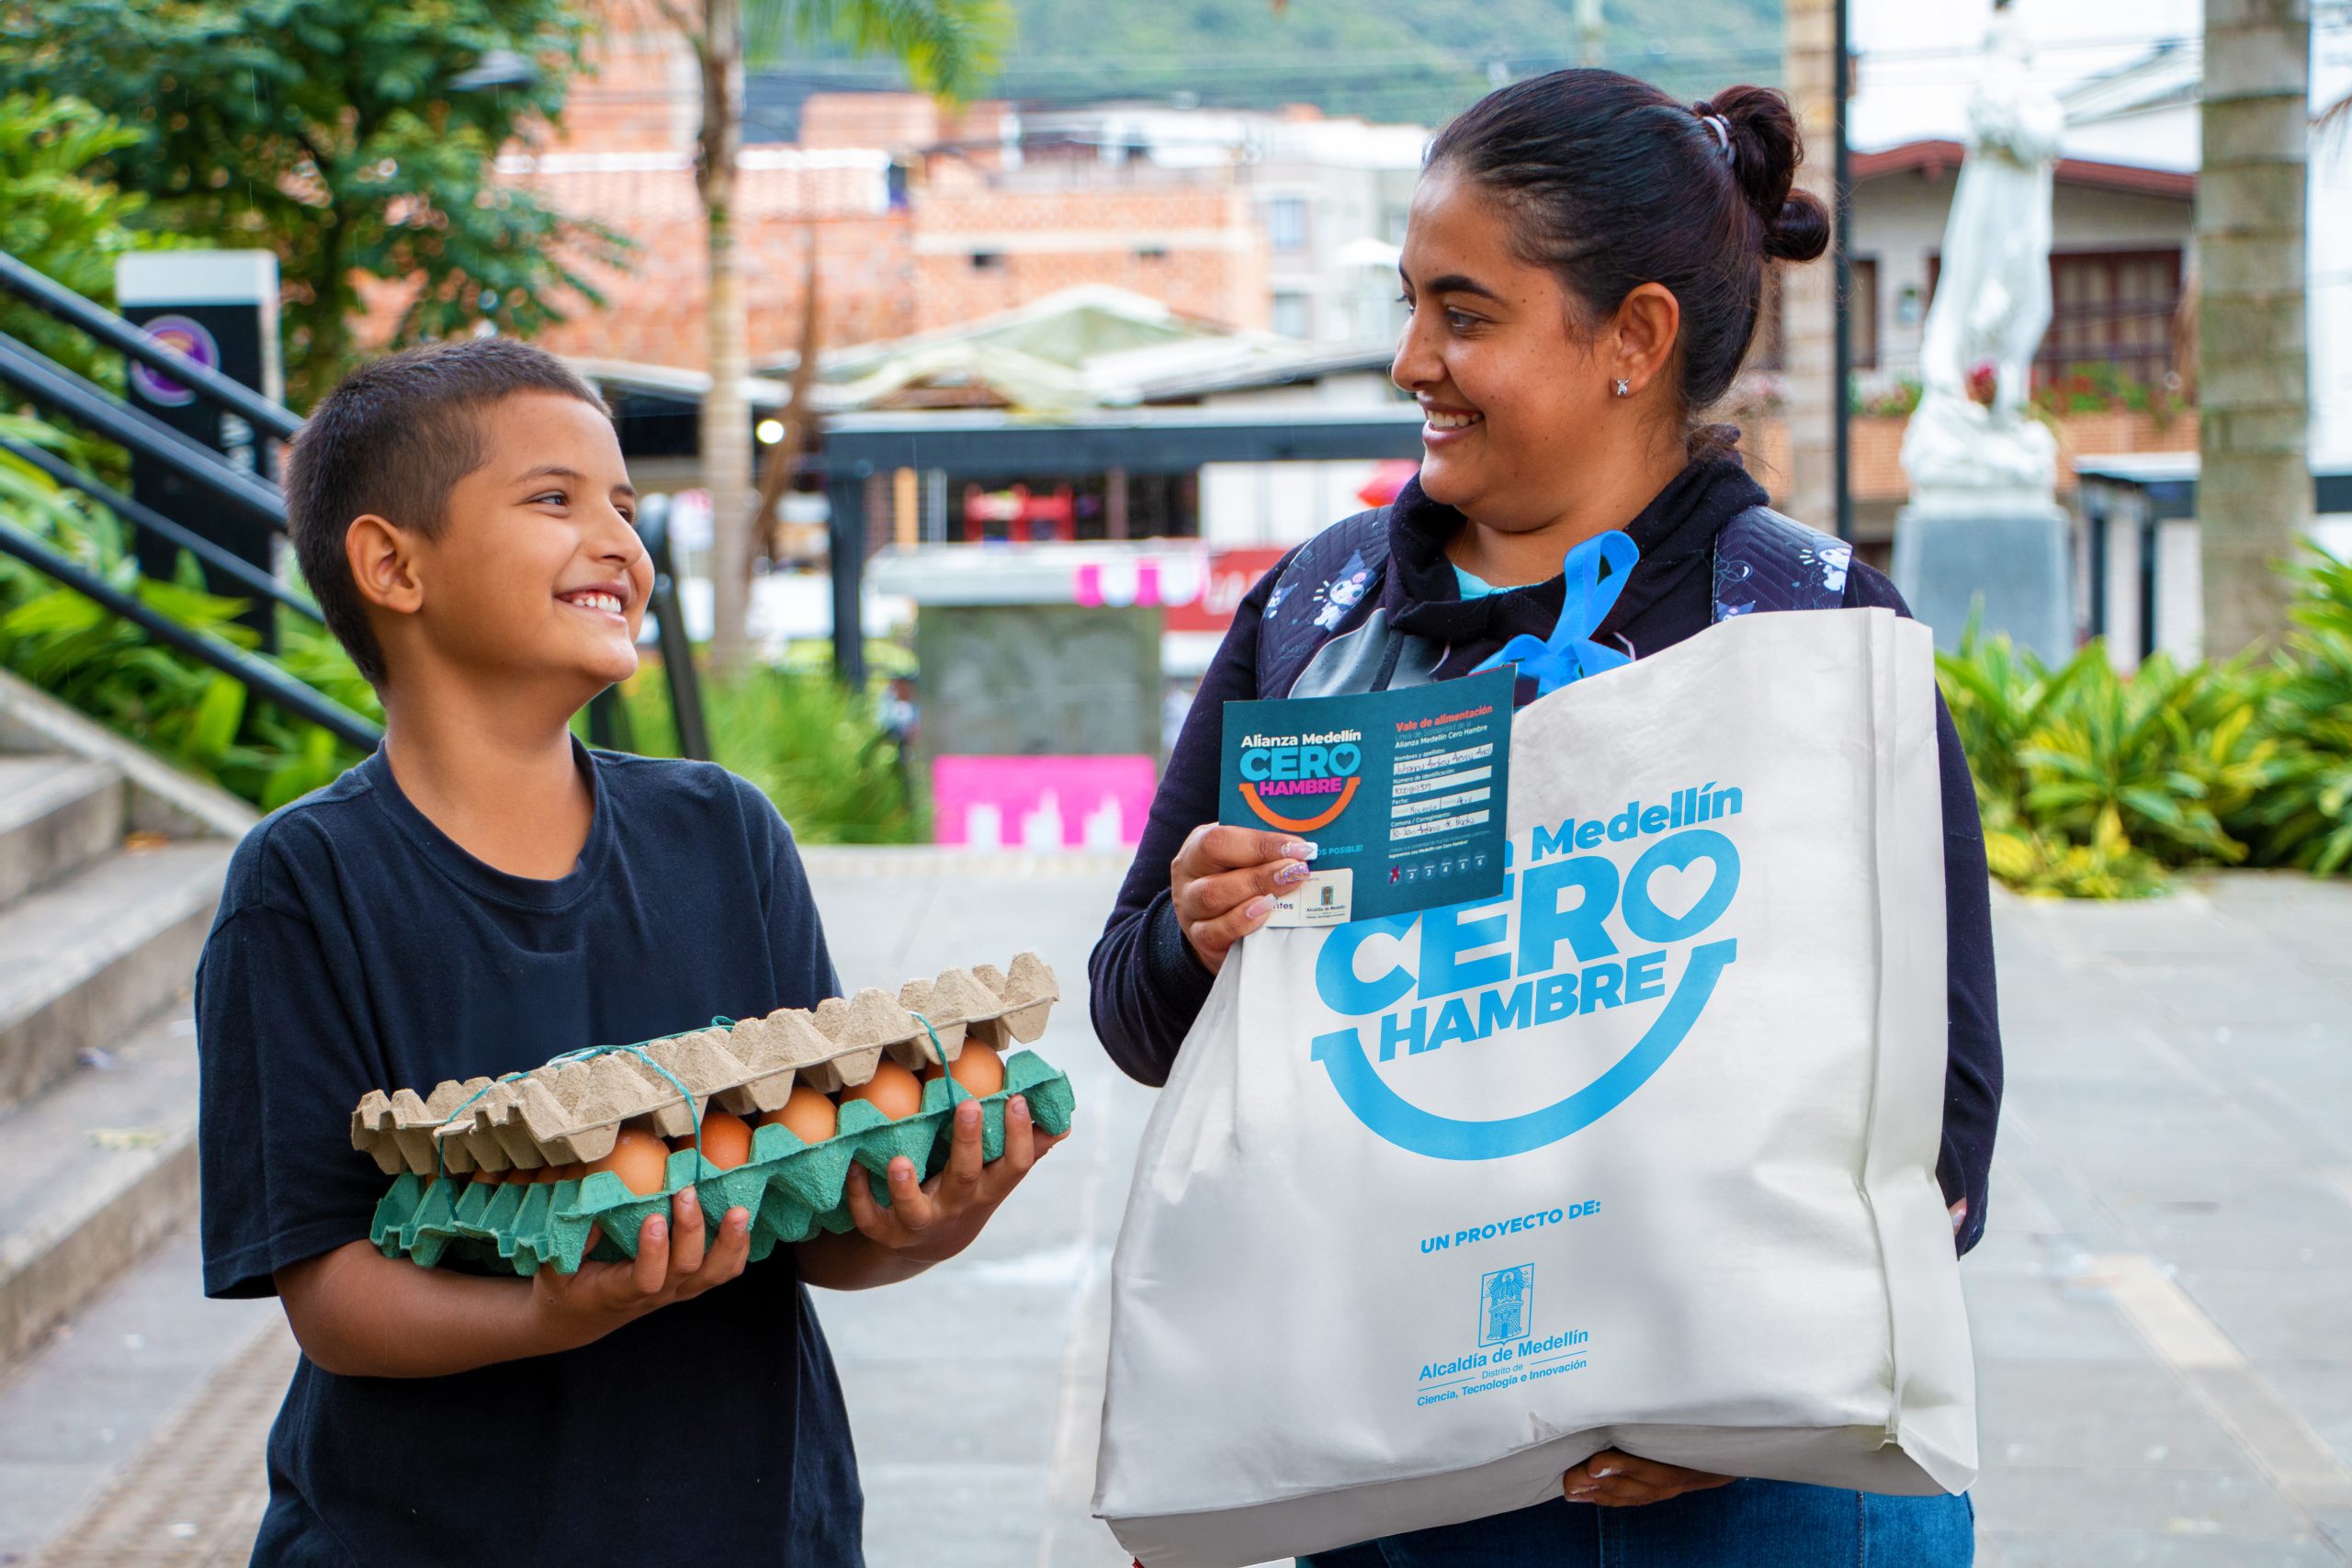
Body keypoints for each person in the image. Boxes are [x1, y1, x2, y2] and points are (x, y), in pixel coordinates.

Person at [1088, 71, 1998, 1566]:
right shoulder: (1323, 619)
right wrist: (1194, 934)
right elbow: (1138, 1020)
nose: (1412, 362)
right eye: (1410, 306)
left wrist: (1728, 1388)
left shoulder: (1813, 629)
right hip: (1411, 1480)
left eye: (1465, 314)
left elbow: (1940, 1106)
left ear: (1634, 337)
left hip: (1761, 1499)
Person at [196, 339, 1062, 1565]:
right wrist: (551, 1313)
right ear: (393, 565)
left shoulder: (722, 834)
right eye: (555, 499)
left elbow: (807, 1214)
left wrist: (931, 1218)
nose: (620, 541)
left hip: (753, 1527)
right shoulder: (306, 885)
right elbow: (331, 1297)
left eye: (625, 505)